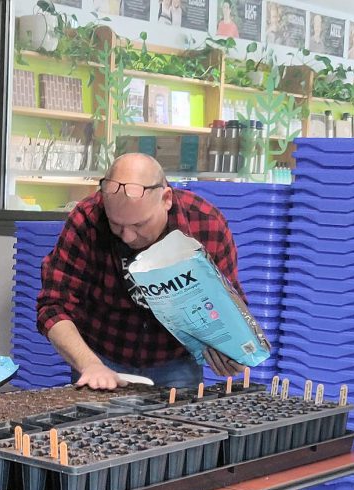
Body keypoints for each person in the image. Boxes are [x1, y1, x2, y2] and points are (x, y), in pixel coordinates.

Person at [37, 153, 245, 390]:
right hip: (101, 358)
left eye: (139, 224)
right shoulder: (87, 219)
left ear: (166, 199)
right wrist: (89, 364)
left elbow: (230, 306)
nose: (127, 236)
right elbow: (54, 306)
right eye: (116, 224)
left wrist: (231, 349)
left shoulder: (206, 224)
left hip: (175, 361)